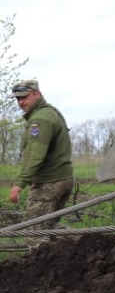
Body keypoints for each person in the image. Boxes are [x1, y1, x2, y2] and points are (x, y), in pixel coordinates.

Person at [8, 79, 74, 229]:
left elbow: (35, 155)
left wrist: (19, 184)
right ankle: (88, 241)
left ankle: (90, 241)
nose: (21, 102)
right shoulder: (50, 112)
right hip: (62, 179)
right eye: (18, 99)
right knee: (49, 229)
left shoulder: (40, 119)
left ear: (37, 94)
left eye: (25, 97)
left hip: (48, 183)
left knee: (35, 234)